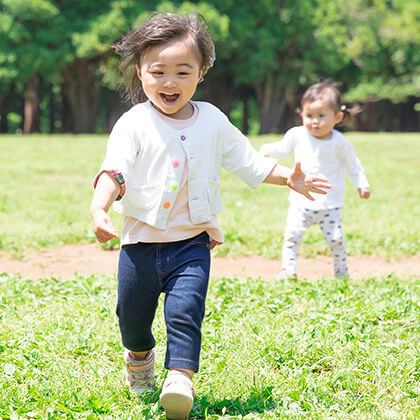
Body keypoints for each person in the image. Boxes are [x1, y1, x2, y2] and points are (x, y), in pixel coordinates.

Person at [90, 12, 330, 420]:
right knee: (131, 319)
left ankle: (180, 378)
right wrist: (100, 207)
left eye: (183, 72)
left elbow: (248, 162)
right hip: (139, 246)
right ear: (140, 72)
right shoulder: (133, 124)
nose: (170, 83)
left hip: (192, 243)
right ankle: (140, 357)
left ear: (200, 72)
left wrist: (290, 178)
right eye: (158, 72)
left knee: (186, 311)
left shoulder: (213, 120)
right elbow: (115, 171)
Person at [260, 81, 370, 280]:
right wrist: (268, 151)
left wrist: (361, 184)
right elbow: (283, 149)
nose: (314, 121)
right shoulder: (297, 135)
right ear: (301, 114)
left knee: (335, 240)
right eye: (309, 116)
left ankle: (342, 273)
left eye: (321, 116)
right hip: (300, 202)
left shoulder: (340, 143)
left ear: (337, 117)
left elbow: (354, 165)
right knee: (292, 237)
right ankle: (288, 272)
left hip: (330, 204)